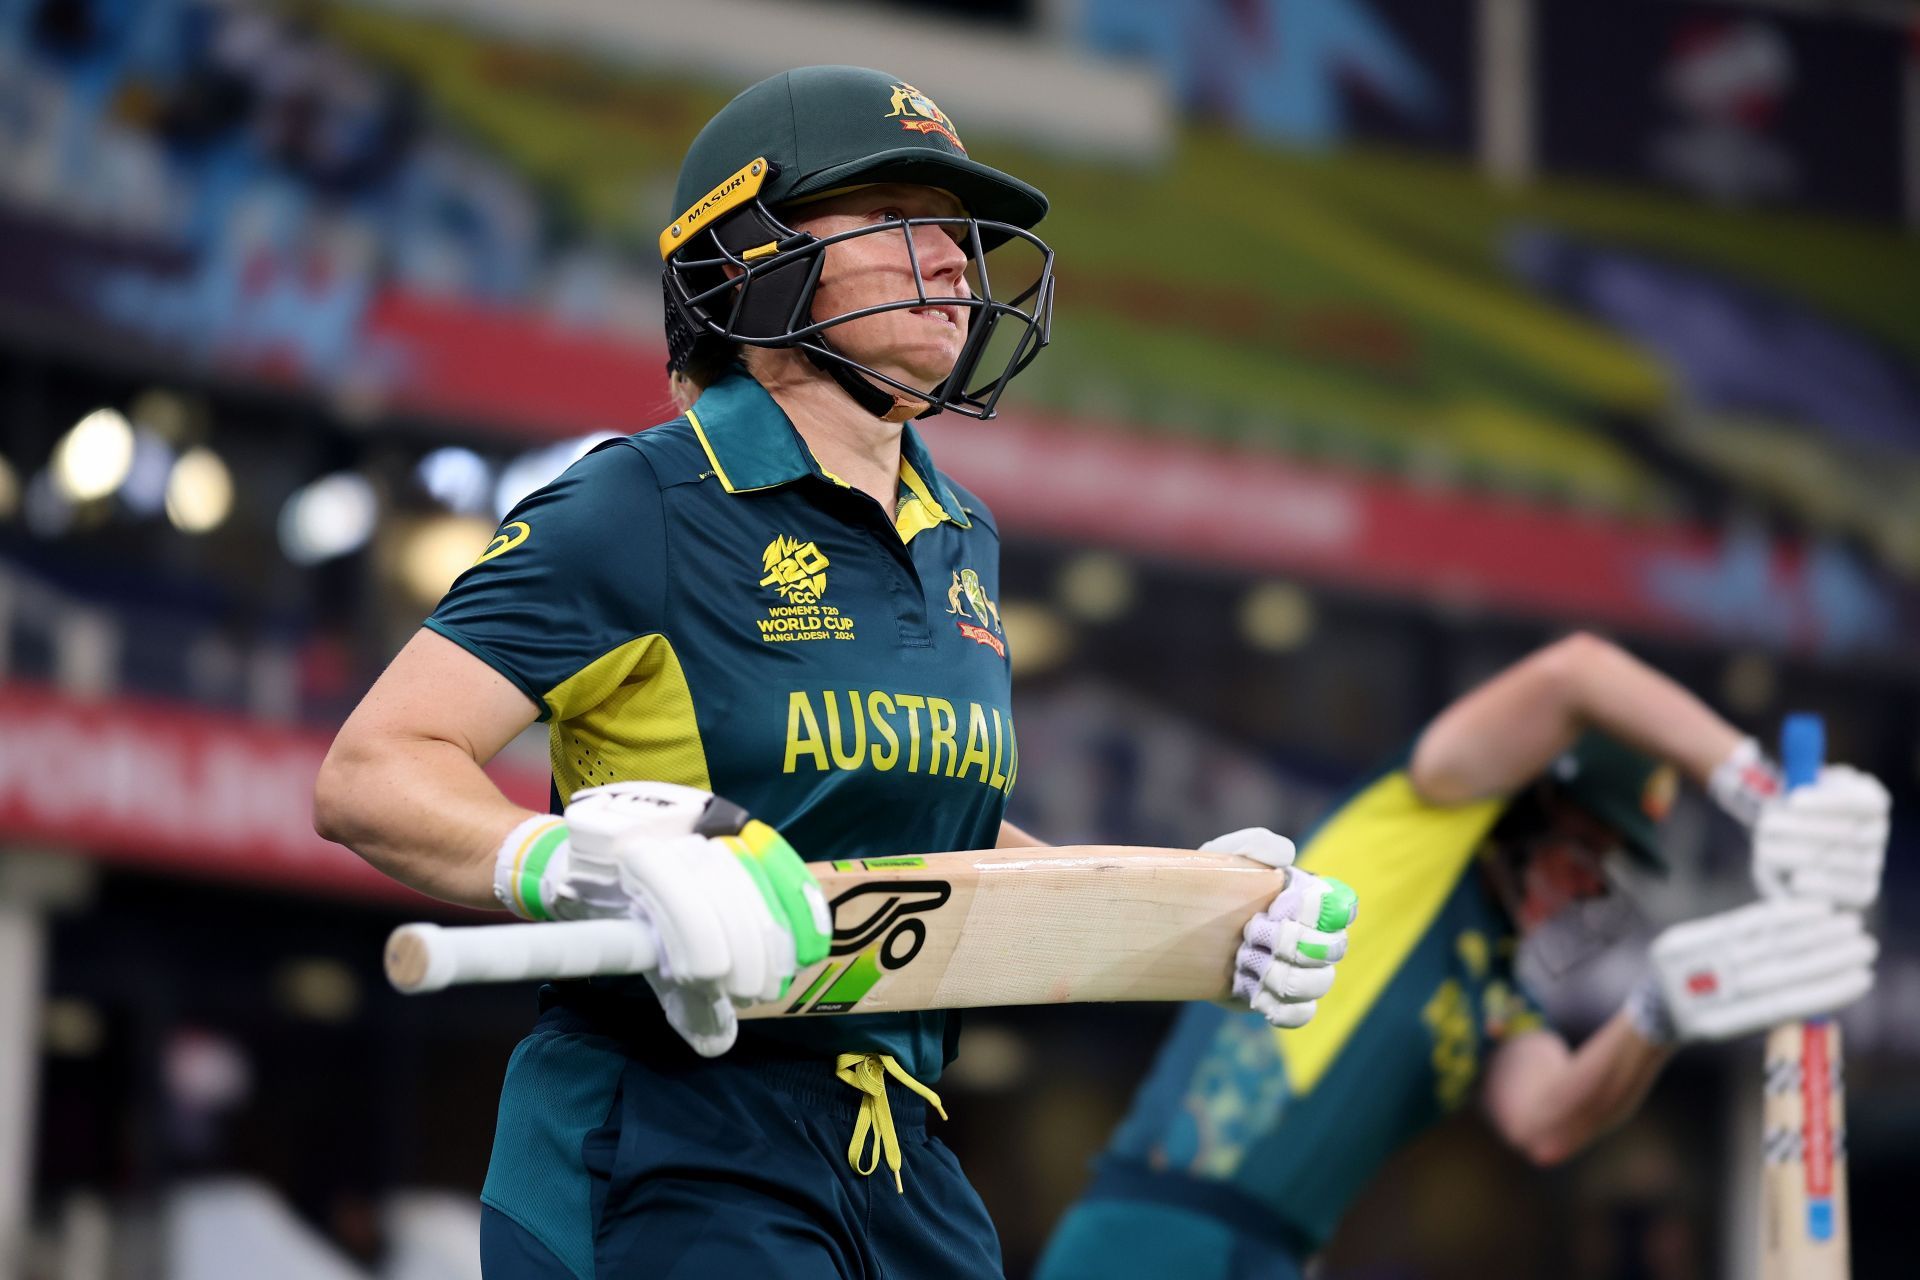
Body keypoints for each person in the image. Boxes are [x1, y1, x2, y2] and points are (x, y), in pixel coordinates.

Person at [313, 65, 1356, 1279]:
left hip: (901, 1145)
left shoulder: (963, 533)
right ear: (745, 259)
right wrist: (572, 859)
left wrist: (1201, 915)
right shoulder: (638, 499)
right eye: (897, 216)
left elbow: (945, 847)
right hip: (663, 1132)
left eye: (959, 229)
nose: (958, 259)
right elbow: (372, 768)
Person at [1036, 632, 1888, 1280]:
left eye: (1604, 871)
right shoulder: (1419, 815)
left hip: (1274, 1253)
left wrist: (1659, 1014)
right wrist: (1761, 791)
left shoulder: (1499, 984)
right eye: (1579, 851)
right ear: (1525, 801)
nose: (1587, 888)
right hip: (1157, 1228)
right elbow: (1578, 671)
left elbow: (1549, 1121)